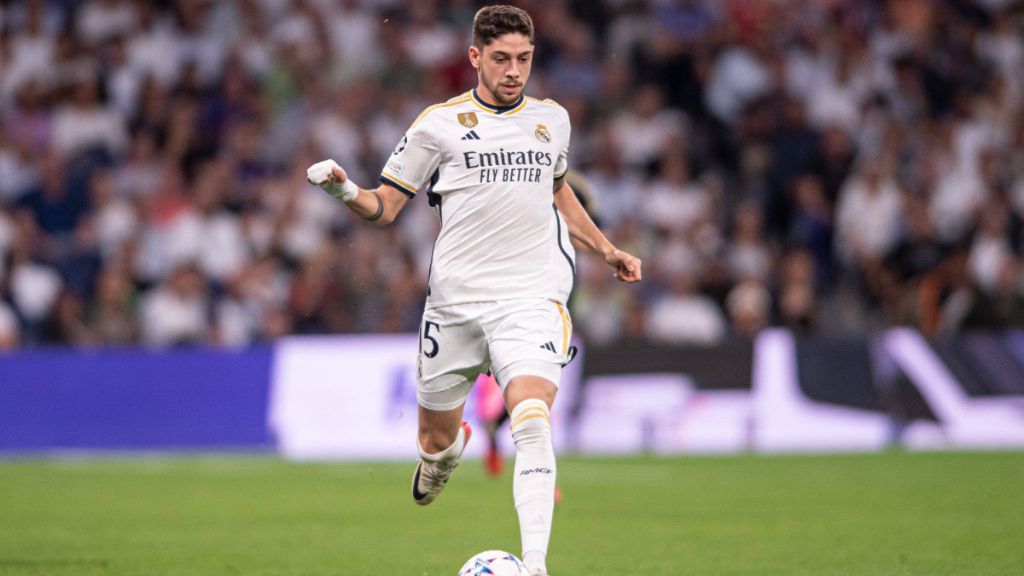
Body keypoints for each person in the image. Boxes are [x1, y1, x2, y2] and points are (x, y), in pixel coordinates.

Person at [306, 6, 642, 575]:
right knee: (436, 439)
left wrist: (605, 248)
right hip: (455, 304)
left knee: (531, 416)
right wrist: (344, 190)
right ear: (475, 58)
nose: (515, 71)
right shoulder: (437, 124)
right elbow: (384, 207)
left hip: (532, 297)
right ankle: (440, 460)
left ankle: (535, 565)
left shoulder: (551, 120)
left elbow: (559, 192)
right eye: (503, 59)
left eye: (525, 59)